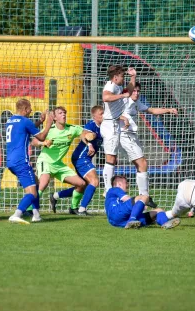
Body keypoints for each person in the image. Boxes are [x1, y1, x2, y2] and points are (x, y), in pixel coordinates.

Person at [118, 82, 179, 208]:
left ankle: (142, 198)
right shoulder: (124, 101)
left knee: (140, 166)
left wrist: (168, 110)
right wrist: (123, 118)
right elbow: (112, 113)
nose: (136, 93)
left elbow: (151, 110)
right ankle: (144, 196)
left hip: (132, 136)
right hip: (124, 136)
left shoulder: (136, 103)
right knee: (142, 163)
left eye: (138, 91)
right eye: (134, 91)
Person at [31, 106, 91, 218]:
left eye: (64, 113)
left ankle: (73, 208)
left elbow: (84, 133)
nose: (63, 115)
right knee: (43, 183)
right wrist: (43, 143)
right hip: (45, 161)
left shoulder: (72, 129)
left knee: (82, 184)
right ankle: (30, 208)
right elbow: (34, 141)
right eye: (60, 113)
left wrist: (89, 140)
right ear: (54, 118)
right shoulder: (49, 130)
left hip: (58, 164)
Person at [5, 99, 53, 224]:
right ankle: (17, 214)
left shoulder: (10, 121)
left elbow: (25, 130)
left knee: (36, 183)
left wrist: (39, 122)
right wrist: (48, 123)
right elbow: (41, 137)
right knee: (31, 193)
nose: (31, 111)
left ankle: (36, 215)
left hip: (10, 160)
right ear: (25, 109)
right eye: (30, 108)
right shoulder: (25, 121)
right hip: (21, 161)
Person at [100, 65, 135, 196]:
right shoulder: (111, 86)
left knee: (113, 159)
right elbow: (105, 97)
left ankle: (109, 188)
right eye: (122, 76)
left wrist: (133, 77)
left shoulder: (118, 87)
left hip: (115, 124)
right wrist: (122, 96)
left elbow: (129, 92)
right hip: (110, 126)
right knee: (110, 158)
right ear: (115, 77)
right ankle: (108, 190)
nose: (123, 78)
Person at [104, 175, 180, 230]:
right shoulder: (114, 189)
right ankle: (131, 220)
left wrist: (141, 204)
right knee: (144, 196)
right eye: (126, 183)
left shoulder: (113, 194)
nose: (128, 185)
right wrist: (143, 201)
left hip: (120, 222)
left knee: (159, 210)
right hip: (117, 212)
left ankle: (165, 224)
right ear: (119, 184)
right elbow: (127, 199)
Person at [68, 105, 104, 215]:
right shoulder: (91, 125)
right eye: (101, 114)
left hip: (83, 158)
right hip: (81, 158)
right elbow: (84, 134)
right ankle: (82, 209)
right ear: (94, 116)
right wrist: (89, 144)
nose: (104, 115)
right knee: (94, 181)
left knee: (83, 184)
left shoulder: (104, 126)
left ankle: (56, 196)